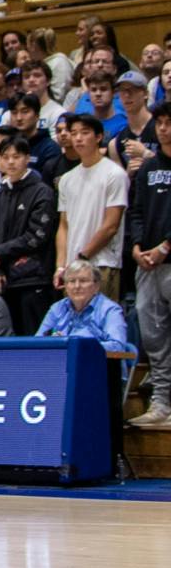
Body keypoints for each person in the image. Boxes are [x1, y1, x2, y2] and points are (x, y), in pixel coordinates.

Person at [127, 103, 171, 429]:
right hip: (147, 266)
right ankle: (161, 403)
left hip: (168, 259)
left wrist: (166, 246)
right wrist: (137, 246)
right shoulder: (147, 168)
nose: (165, 128)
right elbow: (137, 212)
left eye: (170, 122)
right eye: (161, 123)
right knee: (154, 339)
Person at [56, 114, 128, 300]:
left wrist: (83, 256)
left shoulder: (114, 174)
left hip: (102, 263)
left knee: (101, 316)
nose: (78, 138)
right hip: (72, 268)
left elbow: (111, 226)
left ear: (98, 137)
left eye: (85, 132)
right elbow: (64, 225)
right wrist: (61, 266)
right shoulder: (66, 179)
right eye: (74, 133)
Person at [37, 261, 130, 351]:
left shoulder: (110, 310)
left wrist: (75, 345)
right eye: (72, 281)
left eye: (83, 281)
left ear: (96, 286)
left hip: (95, 361)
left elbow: (118, 346)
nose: (77, 286)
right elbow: (37, 342)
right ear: (65, 286)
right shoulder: (57, 308)